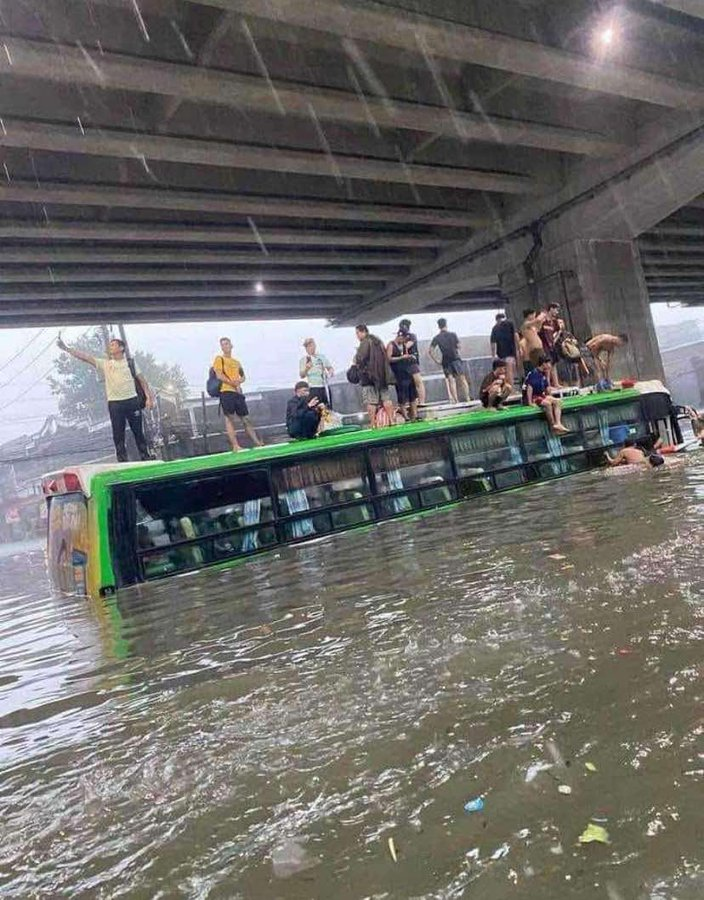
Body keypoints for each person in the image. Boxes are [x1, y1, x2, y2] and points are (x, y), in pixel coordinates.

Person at [56, 334, 154, 463]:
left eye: (113, 345)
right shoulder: (106, 364)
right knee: (118, 434)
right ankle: (122, 460)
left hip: (132, 401)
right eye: (110, 346)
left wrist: (149, 398)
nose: (110, 347)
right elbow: (86, 357)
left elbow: (142, 382)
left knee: (138, 431)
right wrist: (66, 348)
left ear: (121, 348)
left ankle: (145, 456)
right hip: (115, 403)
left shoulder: (130, 363)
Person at [213, 337, 263, 451]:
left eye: (226, 344)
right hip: (226, 391)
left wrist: (238, 382)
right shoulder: (219, 359)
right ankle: (236, 445)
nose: (225, 346)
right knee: (229, 418)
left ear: (231, 345)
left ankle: (257, 443)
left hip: (237, 392)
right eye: (223, 345)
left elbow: (243, 376)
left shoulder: (236, 362)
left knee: (246, 418)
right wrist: (232, 383)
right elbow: (219, 375)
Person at [353, 324, 396, 428]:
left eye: (357, 333)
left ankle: (373, 423)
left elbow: (360, 358)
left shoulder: (365, 342)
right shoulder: (378, 341)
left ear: (363, 332)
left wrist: (356, 360)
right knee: (386, 399)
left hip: (369, 377)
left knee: (371, 402)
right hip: (382, 375)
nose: (357, 336)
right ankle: (392, 420)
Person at [522, 355, 569, 434]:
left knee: (557, 401)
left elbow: (547, 388)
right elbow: (529, 388)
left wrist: (550, 397)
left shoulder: (543, 373)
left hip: (540, 395)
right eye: (548, 364)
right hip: (532, 397)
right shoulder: (534, 373)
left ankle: (558, 423)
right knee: (547, 404)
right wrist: (530, 403)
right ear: (543, 364)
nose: (550, 366)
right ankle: (552, 425)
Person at [429, 318, 471, 403]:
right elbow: (459, 346)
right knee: (462, 379)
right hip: (455, 358)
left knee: (451, 380)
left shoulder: (437, 337)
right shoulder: (453, 334)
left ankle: (456, 400)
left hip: (445, 360)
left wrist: (437, 360)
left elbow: (430, 351)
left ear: (438, 326)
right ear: (446, 325)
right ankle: (467, 398)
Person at [387, 330, 418, 421]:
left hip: (407, 372)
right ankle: (406, 416)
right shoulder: (391, 345)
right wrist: (401, 358)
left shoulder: (404, 345)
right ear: (399, 336)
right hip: (398, 374)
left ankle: (415, 415)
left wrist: (410, 357)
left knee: (412, 395)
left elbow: (406, 354)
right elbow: (388, 358)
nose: (404, 341)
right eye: (403, 338)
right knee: (402, 396)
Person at [299, 338, 334, 407]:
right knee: (316, 408)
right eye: (307, 347)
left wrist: (330, 373)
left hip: (324, 386)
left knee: (328, 407)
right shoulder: (303, 360)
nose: (309, 348)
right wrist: (307, 368)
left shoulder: (321, 357)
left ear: (314, 346)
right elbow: (302, 375)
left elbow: (330, 368)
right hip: (313, 387)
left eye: (310, 345)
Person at [398, 318, 426, 405]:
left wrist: (402, 340)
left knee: (418, 382)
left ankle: (421, 401)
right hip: (404, 363)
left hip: (412, 362)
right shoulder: (400, 337)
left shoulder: (412, 336)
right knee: (410, 384)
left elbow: (407, 346)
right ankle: (413, 401)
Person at [490, 313, 521, 388]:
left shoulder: (495, 328)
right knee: (510, 372)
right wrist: (519, 348)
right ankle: (511, 389)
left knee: (504, 373)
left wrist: (493, 356)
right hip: (511, 352)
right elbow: (516, 336)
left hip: (501, 354)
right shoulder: (510, 323)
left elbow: (493, 344)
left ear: (496, 319)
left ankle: (508, 389)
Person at [519, 308, 547, 374]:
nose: (534, 316)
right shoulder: (525, 325)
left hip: (539, 348)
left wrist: (542, 320)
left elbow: (538, 327)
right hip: (533, 349)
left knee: (544, 367)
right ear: (529, 315)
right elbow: (537, 320)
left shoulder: (532, 327)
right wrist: (542, 314)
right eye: (533, 314)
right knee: (538, 367)